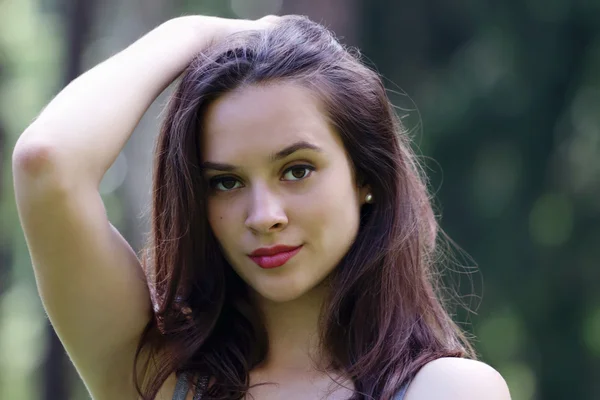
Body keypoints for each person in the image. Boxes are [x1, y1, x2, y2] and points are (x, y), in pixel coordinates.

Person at [12, 13, 511, 400]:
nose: (264, 215)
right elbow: (47, 163)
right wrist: (197, 32)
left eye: (296, 170)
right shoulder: (159, 378)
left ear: (365, 177)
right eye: (226, 182)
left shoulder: (447, 389)